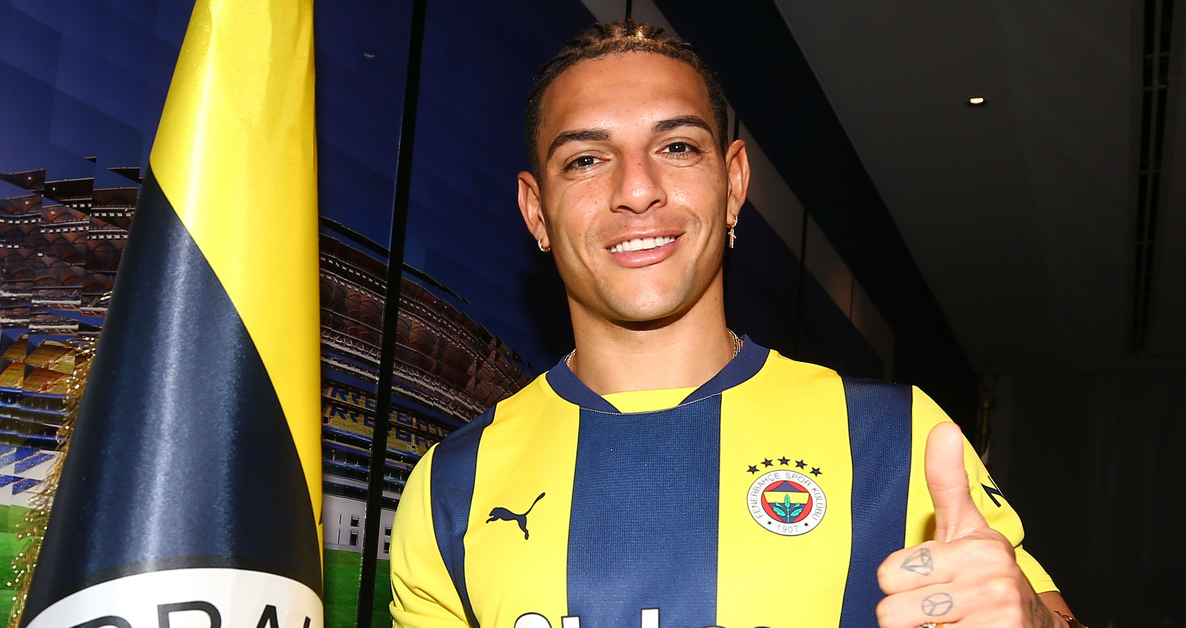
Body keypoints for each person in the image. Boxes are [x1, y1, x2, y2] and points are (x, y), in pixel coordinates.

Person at [390, 21, 1081, 628]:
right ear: (536, 211)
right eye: (586, 160)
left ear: (735, 183)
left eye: (677, 147)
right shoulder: (451, 486)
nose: (637, 189)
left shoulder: (898, 441)